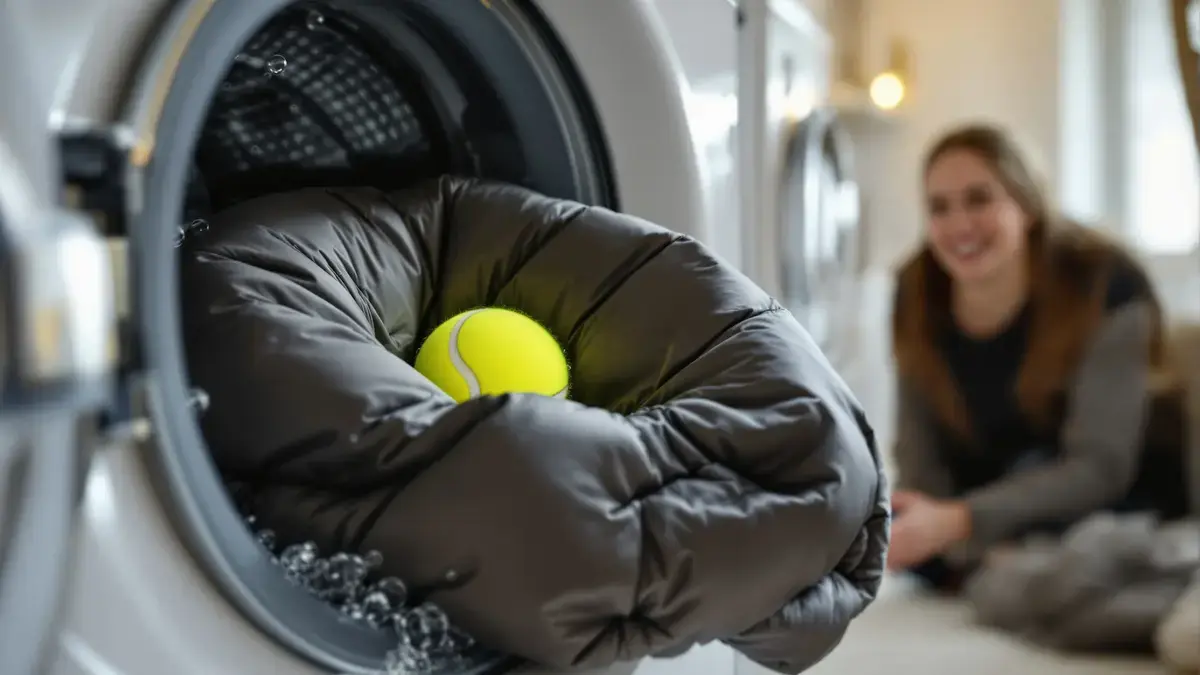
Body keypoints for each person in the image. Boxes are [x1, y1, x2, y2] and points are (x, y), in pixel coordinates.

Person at [885, 123, 1191, 591]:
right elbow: (918, 455)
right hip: (984, 507)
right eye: (939, 207)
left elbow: (1100, 467)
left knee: (1060, 557)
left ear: (1025, 204)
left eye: (979, 199)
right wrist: (923, 521)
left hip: (1104, 495)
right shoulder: (915, 289)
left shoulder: (1105, 281)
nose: (960, 225)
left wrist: (961, 521)